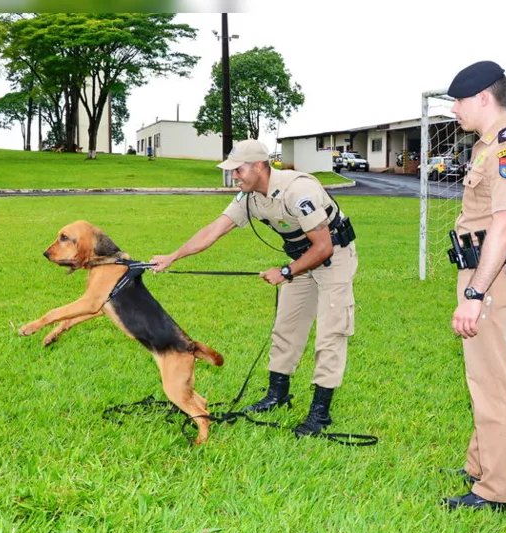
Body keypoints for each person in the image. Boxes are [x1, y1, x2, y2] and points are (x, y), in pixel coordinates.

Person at [150, 139, 358, 437]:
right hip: (301, 259)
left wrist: (285, 271)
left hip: (333, 257)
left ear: (260, 166)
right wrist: (172, 257)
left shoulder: (299, 190)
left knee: (330, 333)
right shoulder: (249, 197)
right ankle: (278, 395)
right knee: (286, 326)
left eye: (239, 170)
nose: (234, 176)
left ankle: (320, 414)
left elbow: (323, 247)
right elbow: (214, 229)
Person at [443, 61, 506, 511]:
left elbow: (504, 227)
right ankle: (480, 464)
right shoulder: (489, 146)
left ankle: (497, 491)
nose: (453, 109)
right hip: (482, 269)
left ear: (483, 96)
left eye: (458, 101)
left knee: (492, 383)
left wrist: (475, 293)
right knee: (481, 377)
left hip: (492, 276)